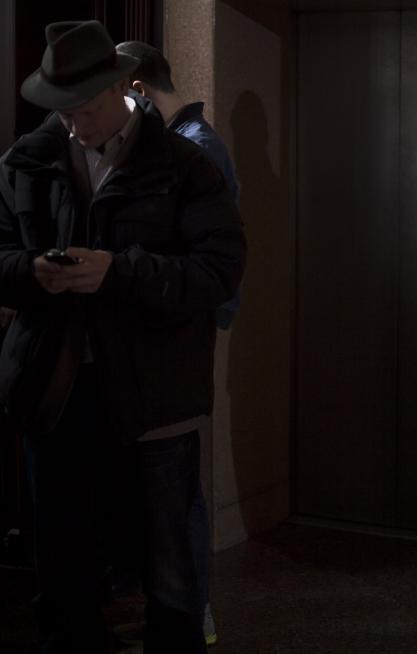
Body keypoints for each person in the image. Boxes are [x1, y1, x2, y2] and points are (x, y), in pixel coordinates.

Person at [0, 20, 245, 653]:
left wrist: (120, 272)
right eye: (61, 111)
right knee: (61, 571)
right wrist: (32, 272)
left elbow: (219, 271)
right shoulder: (28, 159)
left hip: (152, 398)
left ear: (122, 89)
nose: (73, 125)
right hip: (53, 391)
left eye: (83, 110)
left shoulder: (185, 164)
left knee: (168, 572)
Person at [113, 39, 240, 648]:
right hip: (176, 329)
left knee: (178, 486)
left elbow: (209, 259)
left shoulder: (190, 147)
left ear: (135, 89)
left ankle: (194, 611)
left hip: (180, 331)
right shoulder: (196, 138)